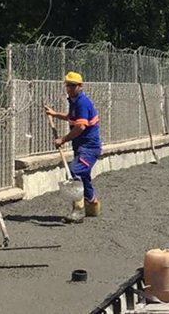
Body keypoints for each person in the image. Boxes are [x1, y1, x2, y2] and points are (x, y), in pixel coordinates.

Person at [45, 71, 102, 223]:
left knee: (74, 172)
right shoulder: (74, 101)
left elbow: (81, 127)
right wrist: (55, 114)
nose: (69, 88)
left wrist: (62, 139)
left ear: (80, 86)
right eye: (68, 85)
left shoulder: (83, 102)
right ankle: (92, 202)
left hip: (89, 148)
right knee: (83, 176)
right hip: (81, 146)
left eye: (73, 85)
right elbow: (72, 117)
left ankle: (78, 211)